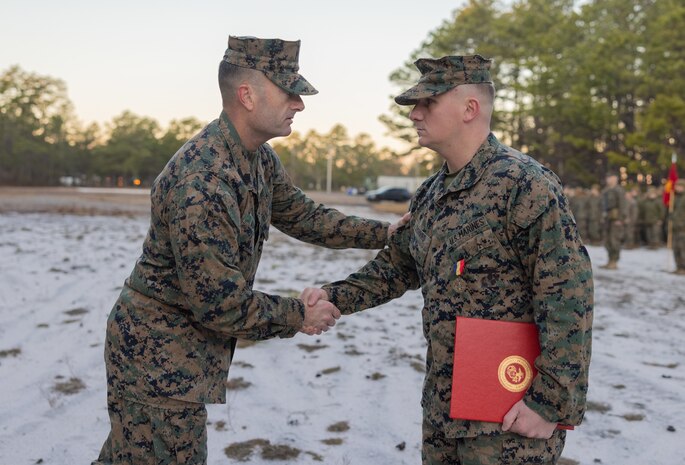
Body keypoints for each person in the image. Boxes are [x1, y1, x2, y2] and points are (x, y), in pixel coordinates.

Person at [92, 35, 408, 464]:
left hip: (181, 357)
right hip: (157, 359)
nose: (299, 104)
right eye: (289, 92)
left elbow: (303, 216)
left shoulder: (257, 158)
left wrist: (384, 232)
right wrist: (301, 315)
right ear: (247, 95)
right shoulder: (202, 180)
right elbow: (219, 304)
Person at [302, 55, 593, 464]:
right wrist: (334, 297)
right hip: (445, 405)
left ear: (470, 109)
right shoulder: (430, 193)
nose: (415, 115)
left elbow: (569, 298)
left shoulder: (524, 184)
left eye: (428, 103)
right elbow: (397, 267)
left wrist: (550, 404)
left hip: (509, 416)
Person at [600, 173, 627, 269]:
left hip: (616, 219)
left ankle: (614, 261)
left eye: (611, 178)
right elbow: (602, 206)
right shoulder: (605, 191)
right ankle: (609, 260)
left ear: (615, 179)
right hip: (607, 218)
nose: (609, 180)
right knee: (607, 240)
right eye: (608, 178)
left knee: (614, 240)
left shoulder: (619, 190)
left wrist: (620, 219)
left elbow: (623, 205)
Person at [671, 178, 685, 274]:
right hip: (675, 227)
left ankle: (683, 268)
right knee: (675, 248)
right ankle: (678, 266)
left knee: (682, 248)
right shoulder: (675, 198)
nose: (678, 188)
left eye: (680, 186)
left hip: (683, 228)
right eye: (677, 186)